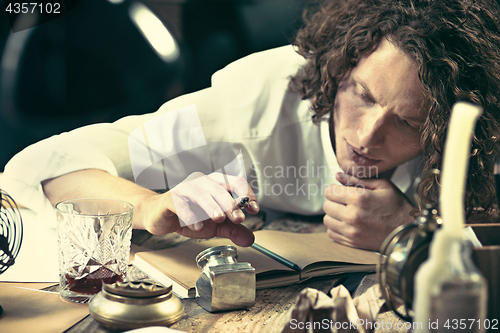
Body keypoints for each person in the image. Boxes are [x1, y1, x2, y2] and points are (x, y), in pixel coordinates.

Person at [3, 0, 500, 251]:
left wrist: (409, 232)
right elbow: (51, 165)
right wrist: (152, 206)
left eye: (409, 123)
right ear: (340, 68)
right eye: (362, 96)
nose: (366, 138)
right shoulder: (253, 105)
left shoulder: (472, 142)